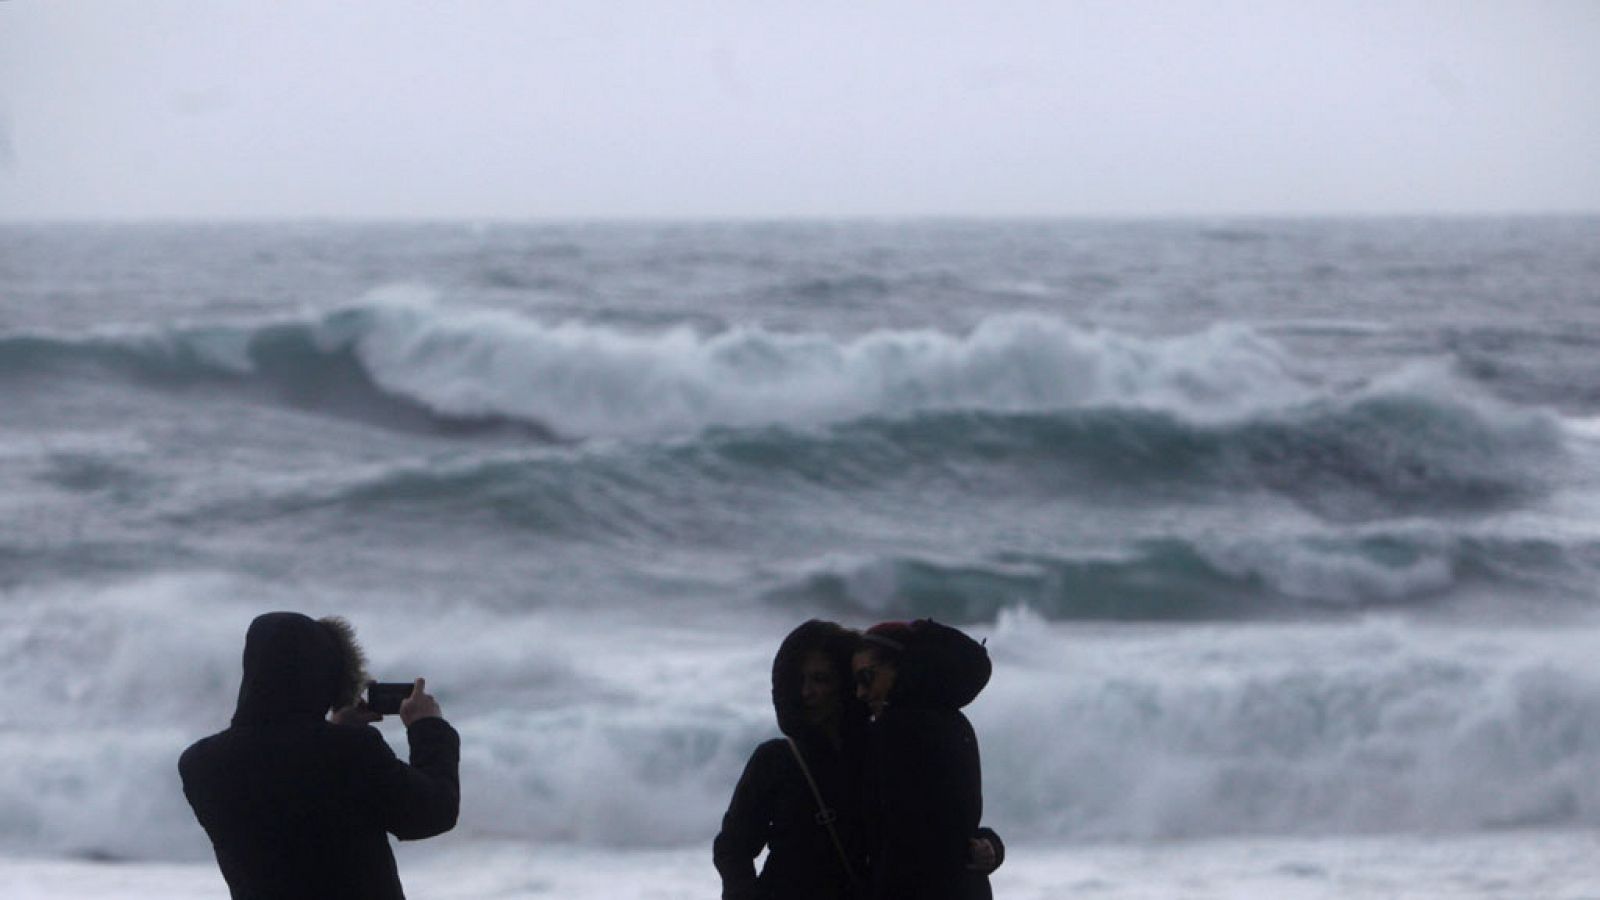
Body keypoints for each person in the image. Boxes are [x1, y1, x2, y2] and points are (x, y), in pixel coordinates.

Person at [179, 612, 460, 900]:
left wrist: (337, 730)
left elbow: (285, 780)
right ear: (326, 675)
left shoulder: (200, 764)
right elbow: (434, 812)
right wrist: (427, 727)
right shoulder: (351, 751)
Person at [714, 620, 870, 900]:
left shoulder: (881, 753)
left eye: (820, 679)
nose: (806, 692)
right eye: (799, 681)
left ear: (847, 683)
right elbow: (733, 848)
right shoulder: (776, 760)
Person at [854, 619, 996, 900]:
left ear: (899, 667)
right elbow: (952, 827)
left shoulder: (892, 729)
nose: (860, 692)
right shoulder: (957, 723)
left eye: (866, 677)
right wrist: (992, 845)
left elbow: (896, 840)